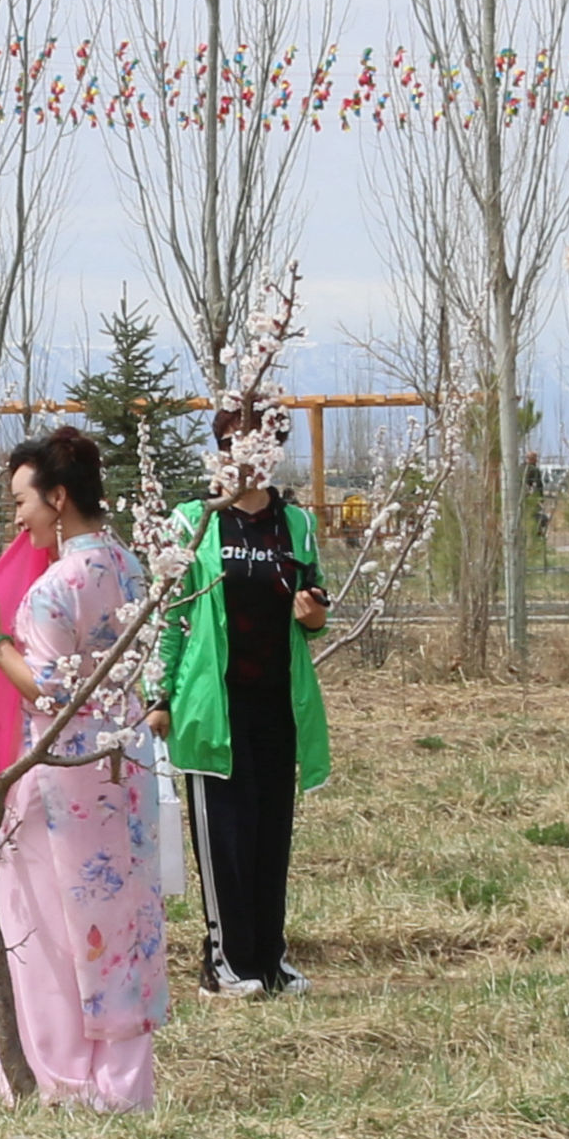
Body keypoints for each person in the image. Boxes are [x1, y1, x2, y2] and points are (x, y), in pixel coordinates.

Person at [0, 427, 170, 1113]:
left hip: (62, 770)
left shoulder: (56, 587)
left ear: (56, 497)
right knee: (121, 919)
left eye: (22, 501)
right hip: (126, 759)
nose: (17, 517)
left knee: (44, 919)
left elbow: (49, 692)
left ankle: (55, 1073)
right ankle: (120, 1079)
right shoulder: (128, 563)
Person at [156, 406, 335, 997]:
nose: (251, 456)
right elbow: (172, 617)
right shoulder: (194, 522)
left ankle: (270, 960)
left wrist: (315, 619)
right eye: (237, 443)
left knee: (269, 835)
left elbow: (312, 606)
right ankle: (224, 963)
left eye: (264, 444)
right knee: (225, 838)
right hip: (214, 707)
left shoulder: (296, 525)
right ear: (221, 449)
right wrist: (159, 696)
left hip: (278, 703)